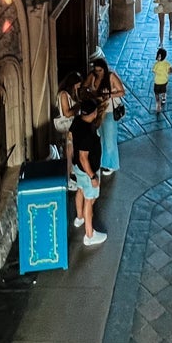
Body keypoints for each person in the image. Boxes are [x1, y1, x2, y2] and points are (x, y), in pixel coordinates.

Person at [71, 99, 107, 247]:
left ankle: (79, 218)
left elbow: (71, 140)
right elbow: (83, 157)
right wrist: (92, 176)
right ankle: (90, 234)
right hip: (87, 170)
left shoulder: (77, 121)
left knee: (80, 190)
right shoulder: (87, 132)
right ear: (93, 113)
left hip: (77, 168)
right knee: (89, 199)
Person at [84, 57, 126, 175]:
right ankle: (102, 161)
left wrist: (109, 95)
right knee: (100, 137)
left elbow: (122, 91)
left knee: (110, 138)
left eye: (100, 70)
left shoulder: (111, 76)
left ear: (104, 69)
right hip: (97, 111)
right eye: (96, 70)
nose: (98, 73)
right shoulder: (93, 76)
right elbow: (85, 86)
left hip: (109, 111)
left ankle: (111, 164)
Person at [153, 47, 172, 114]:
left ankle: (158, 104)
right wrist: (169, 72)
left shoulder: (156, 64)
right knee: (163, 90)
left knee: (156, 93)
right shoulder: (167, 63)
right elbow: (170, 70)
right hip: (164, 81)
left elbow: (154, 71)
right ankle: (164, 98)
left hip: (157, 82)